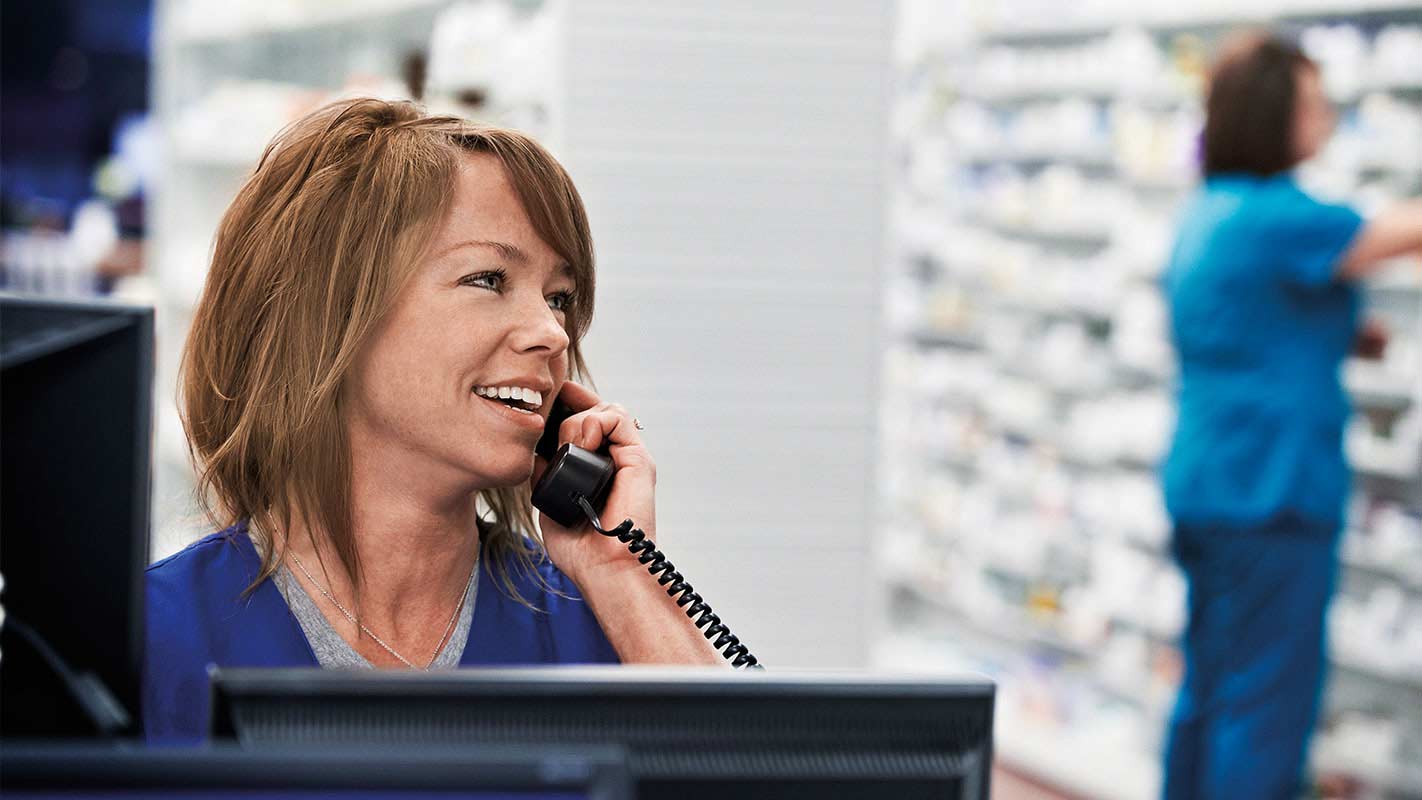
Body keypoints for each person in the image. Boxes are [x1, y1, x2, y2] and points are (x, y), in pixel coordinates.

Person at [144, 98, 729, 744]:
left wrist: (625, 574)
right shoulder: (153, 637)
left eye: (558, 297)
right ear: (331, 317)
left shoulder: (594, 620)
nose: (551, 333)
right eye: (489, 279)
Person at [1161, 33, 1422, 800]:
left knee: (1210, 691)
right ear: (1278, 116)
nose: (1331, 117)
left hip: (1212, 484)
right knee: (1264, 709)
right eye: (1316, 103)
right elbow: (1399, 232)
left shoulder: (1212, 212)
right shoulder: (1281, 215)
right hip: (1269, 495)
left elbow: (1268, 321)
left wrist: (1354, 331)